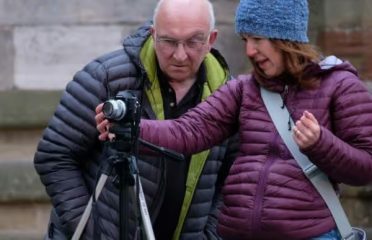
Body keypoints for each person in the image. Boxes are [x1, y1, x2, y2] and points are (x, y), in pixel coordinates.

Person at [97, 0, 372, 239]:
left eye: (257, 39)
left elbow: (366, 167)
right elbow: (188, 131)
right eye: (245, 40)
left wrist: (321, 144)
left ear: (285, 37)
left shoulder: (340, 86)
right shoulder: (244, 89)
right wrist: (130, 129)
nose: (249, 51)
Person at [34, 0, 238, 239]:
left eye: (193, 41)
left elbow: (235, 177)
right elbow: (55, 155)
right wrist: (92, 232)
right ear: (153, 34)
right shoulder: (106, 77)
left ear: (211, 39)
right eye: (169, 41)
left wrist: (211, 233)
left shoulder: (228, 93)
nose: (180, 55)